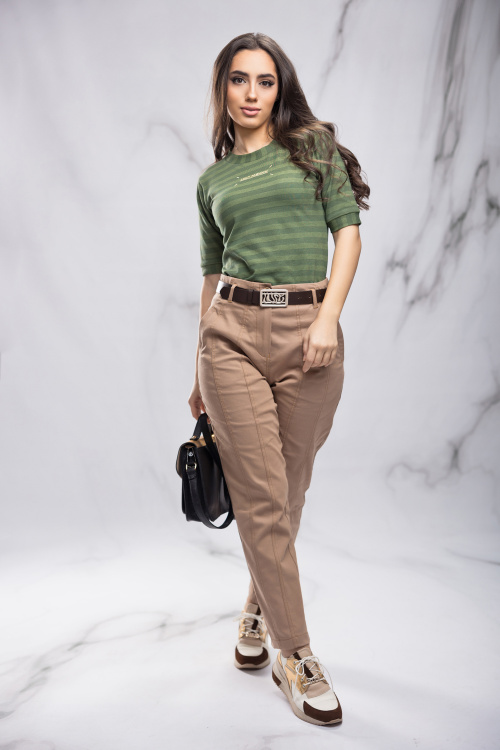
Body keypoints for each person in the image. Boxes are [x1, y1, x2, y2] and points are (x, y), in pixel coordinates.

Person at [188, 32, 370, 727]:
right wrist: (197, 366)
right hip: (229, 337)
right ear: (223, 88)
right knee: (263, 498)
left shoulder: (313, 148)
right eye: (239, 80)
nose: (251, 93)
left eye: (264, 81)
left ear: (280, 89)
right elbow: (211, 275)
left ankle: (256, 610)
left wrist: (328, 318)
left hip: (309, 334)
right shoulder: (212, 182)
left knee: (288, 493)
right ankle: (297, 657)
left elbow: (348, 235)